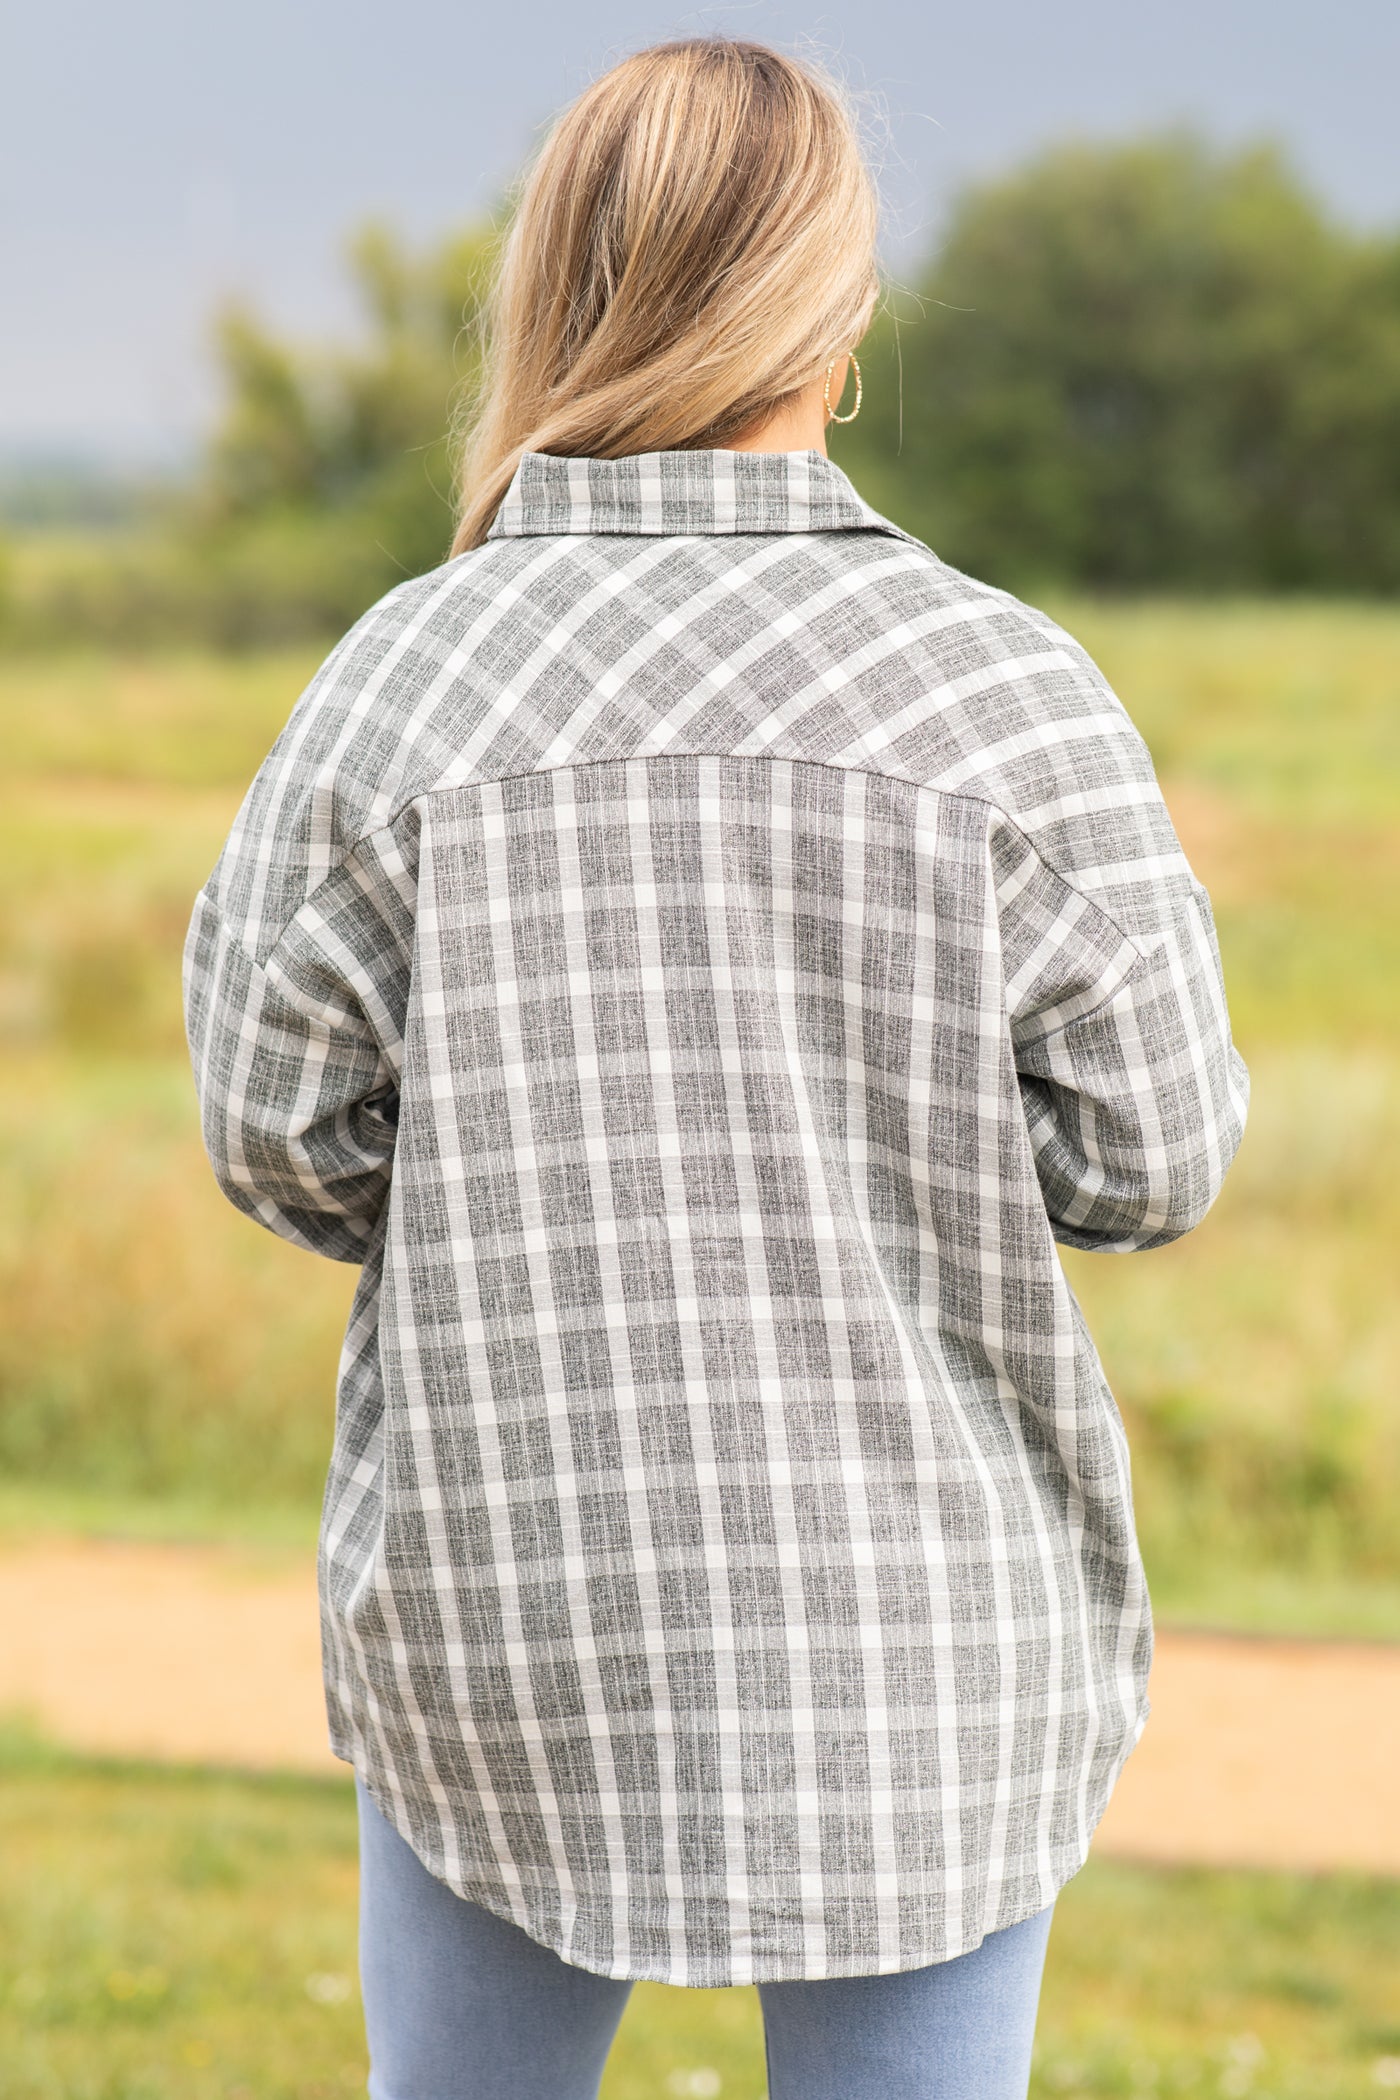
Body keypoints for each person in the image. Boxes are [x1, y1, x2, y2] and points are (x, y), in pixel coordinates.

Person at [182, 36, 1248, 2100]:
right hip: (916, 1646)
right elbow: (1156, 1154)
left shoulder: (400, 676)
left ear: (554, 285)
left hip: (508, 1613)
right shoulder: (1002, 688)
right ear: (834, 312)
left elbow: (276, 1131)